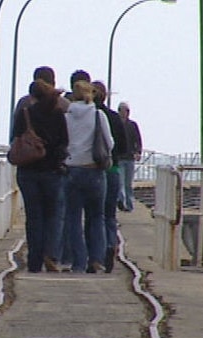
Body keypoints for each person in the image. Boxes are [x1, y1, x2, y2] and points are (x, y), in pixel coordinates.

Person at [11, 78, 69, 272]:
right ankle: (50, 254)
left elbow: (15, 139)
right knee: (53, 216)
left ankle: (34, 261)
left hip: (28, 171)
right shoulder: (58, 114)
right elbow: (64, 142)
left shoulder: (25, 113)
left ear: (32, 96)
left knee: (34, 217)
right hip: (52, 171)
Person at [63, 80, 113, 273]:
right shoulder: (99, 115)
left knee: (73, 218)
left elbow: (63, 142)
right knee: (97, 216)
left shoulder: (67, 117)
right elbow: (109, 143)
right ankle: (96, 259)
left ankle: (78, 262)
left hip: (72, 170)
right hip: (95, 170)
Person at [92, 81, 127, 273]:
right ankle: (110, 245)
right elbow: (123, 147)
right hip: (112, 170)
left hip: (93, 170)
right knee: (109, 215)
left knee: (93, 215)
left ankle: (96, 253)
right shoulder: (114, 118)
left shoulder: (90, 116)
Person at [10, 66, 69, 141]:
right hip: (54, 151)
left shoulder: (24, 103)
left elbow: (16, 134)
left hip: (30, 150)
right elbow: (65, 138)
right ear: (53, 82)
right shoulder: (64, 104)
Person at [117, 101, 142, 212]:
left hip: (130, 158)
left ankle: (129, 205)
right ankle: (122, 203)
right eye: (122, 110)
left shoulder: (132, 125)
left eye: (126, 111)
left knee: (128, 184)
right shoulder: (116, 124)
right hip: (120, 158)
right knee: (121, 183)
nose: (124, 113)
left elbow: (138, 140)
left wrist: (138, 152)